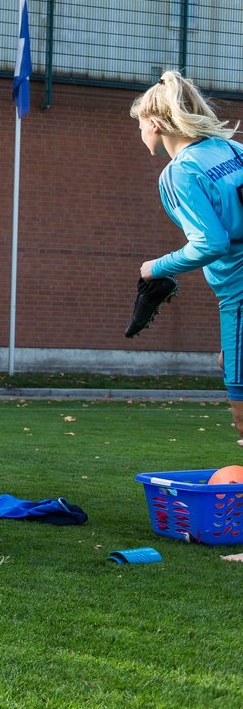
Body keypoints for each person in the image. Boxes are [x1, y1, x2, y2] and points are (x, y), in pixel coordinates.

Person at [131, 70, 243, 446]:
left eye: (141, 124)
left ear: (157, 123)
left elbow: (212, 244)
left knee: (240, 399)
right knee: (228, 361)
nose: (141, 133)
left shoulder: (179, 172)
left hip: (239, 292)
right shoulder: (233, 149)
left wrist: (155, 268)